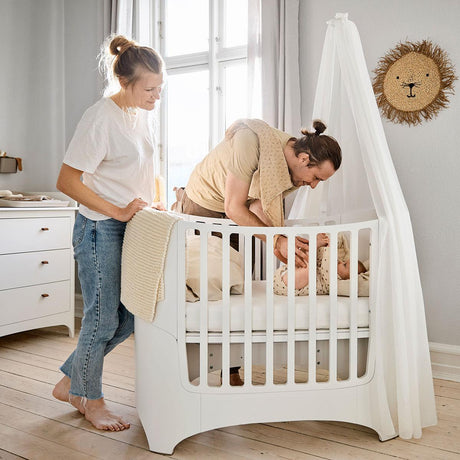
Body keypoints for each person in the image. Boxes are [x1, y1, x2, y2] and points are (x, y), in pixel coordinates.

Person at [172, 119, 342, 384]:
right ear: (304, 158)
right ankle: (189, 360)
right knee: (208, 282)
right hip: (205, 201)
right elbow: (233, 207)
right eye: (316, 178)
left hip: (237, 205)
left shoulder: (293, 165)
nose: (313, 186)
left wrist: (281, 243)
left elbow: (262, 204)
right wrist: (277, 240)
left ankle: (230, 369)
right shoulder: (251, 142)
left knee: (234, 280)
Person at [52, 35, 165, 432]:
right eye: (150, 89)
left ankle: (71, 381)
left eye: (160, 88)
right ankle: (91, 400)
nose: (157, 96)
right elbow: (67, 180)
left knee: (133, 314)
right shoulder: (100, 117)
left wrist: (153, 202)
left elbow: (141, 168)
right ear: (125, 84)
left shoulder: (139, 114)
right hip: (100, 228)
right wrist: (117, 210)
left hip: (132, 227)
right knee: (101, 319)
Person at [273, 233, 367, 296]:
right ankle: (286, 258)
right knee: (304, 262)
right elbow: (322, 258)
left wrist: (329, 246)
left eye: (345, 265)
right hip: (288, 275)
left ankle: (313, 245)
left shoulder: (334, 280)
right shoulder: (330, 270)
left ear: (347, 278)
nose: (341, 261)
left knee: (309, 267)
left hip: (290, 285)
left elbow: (327, 261)